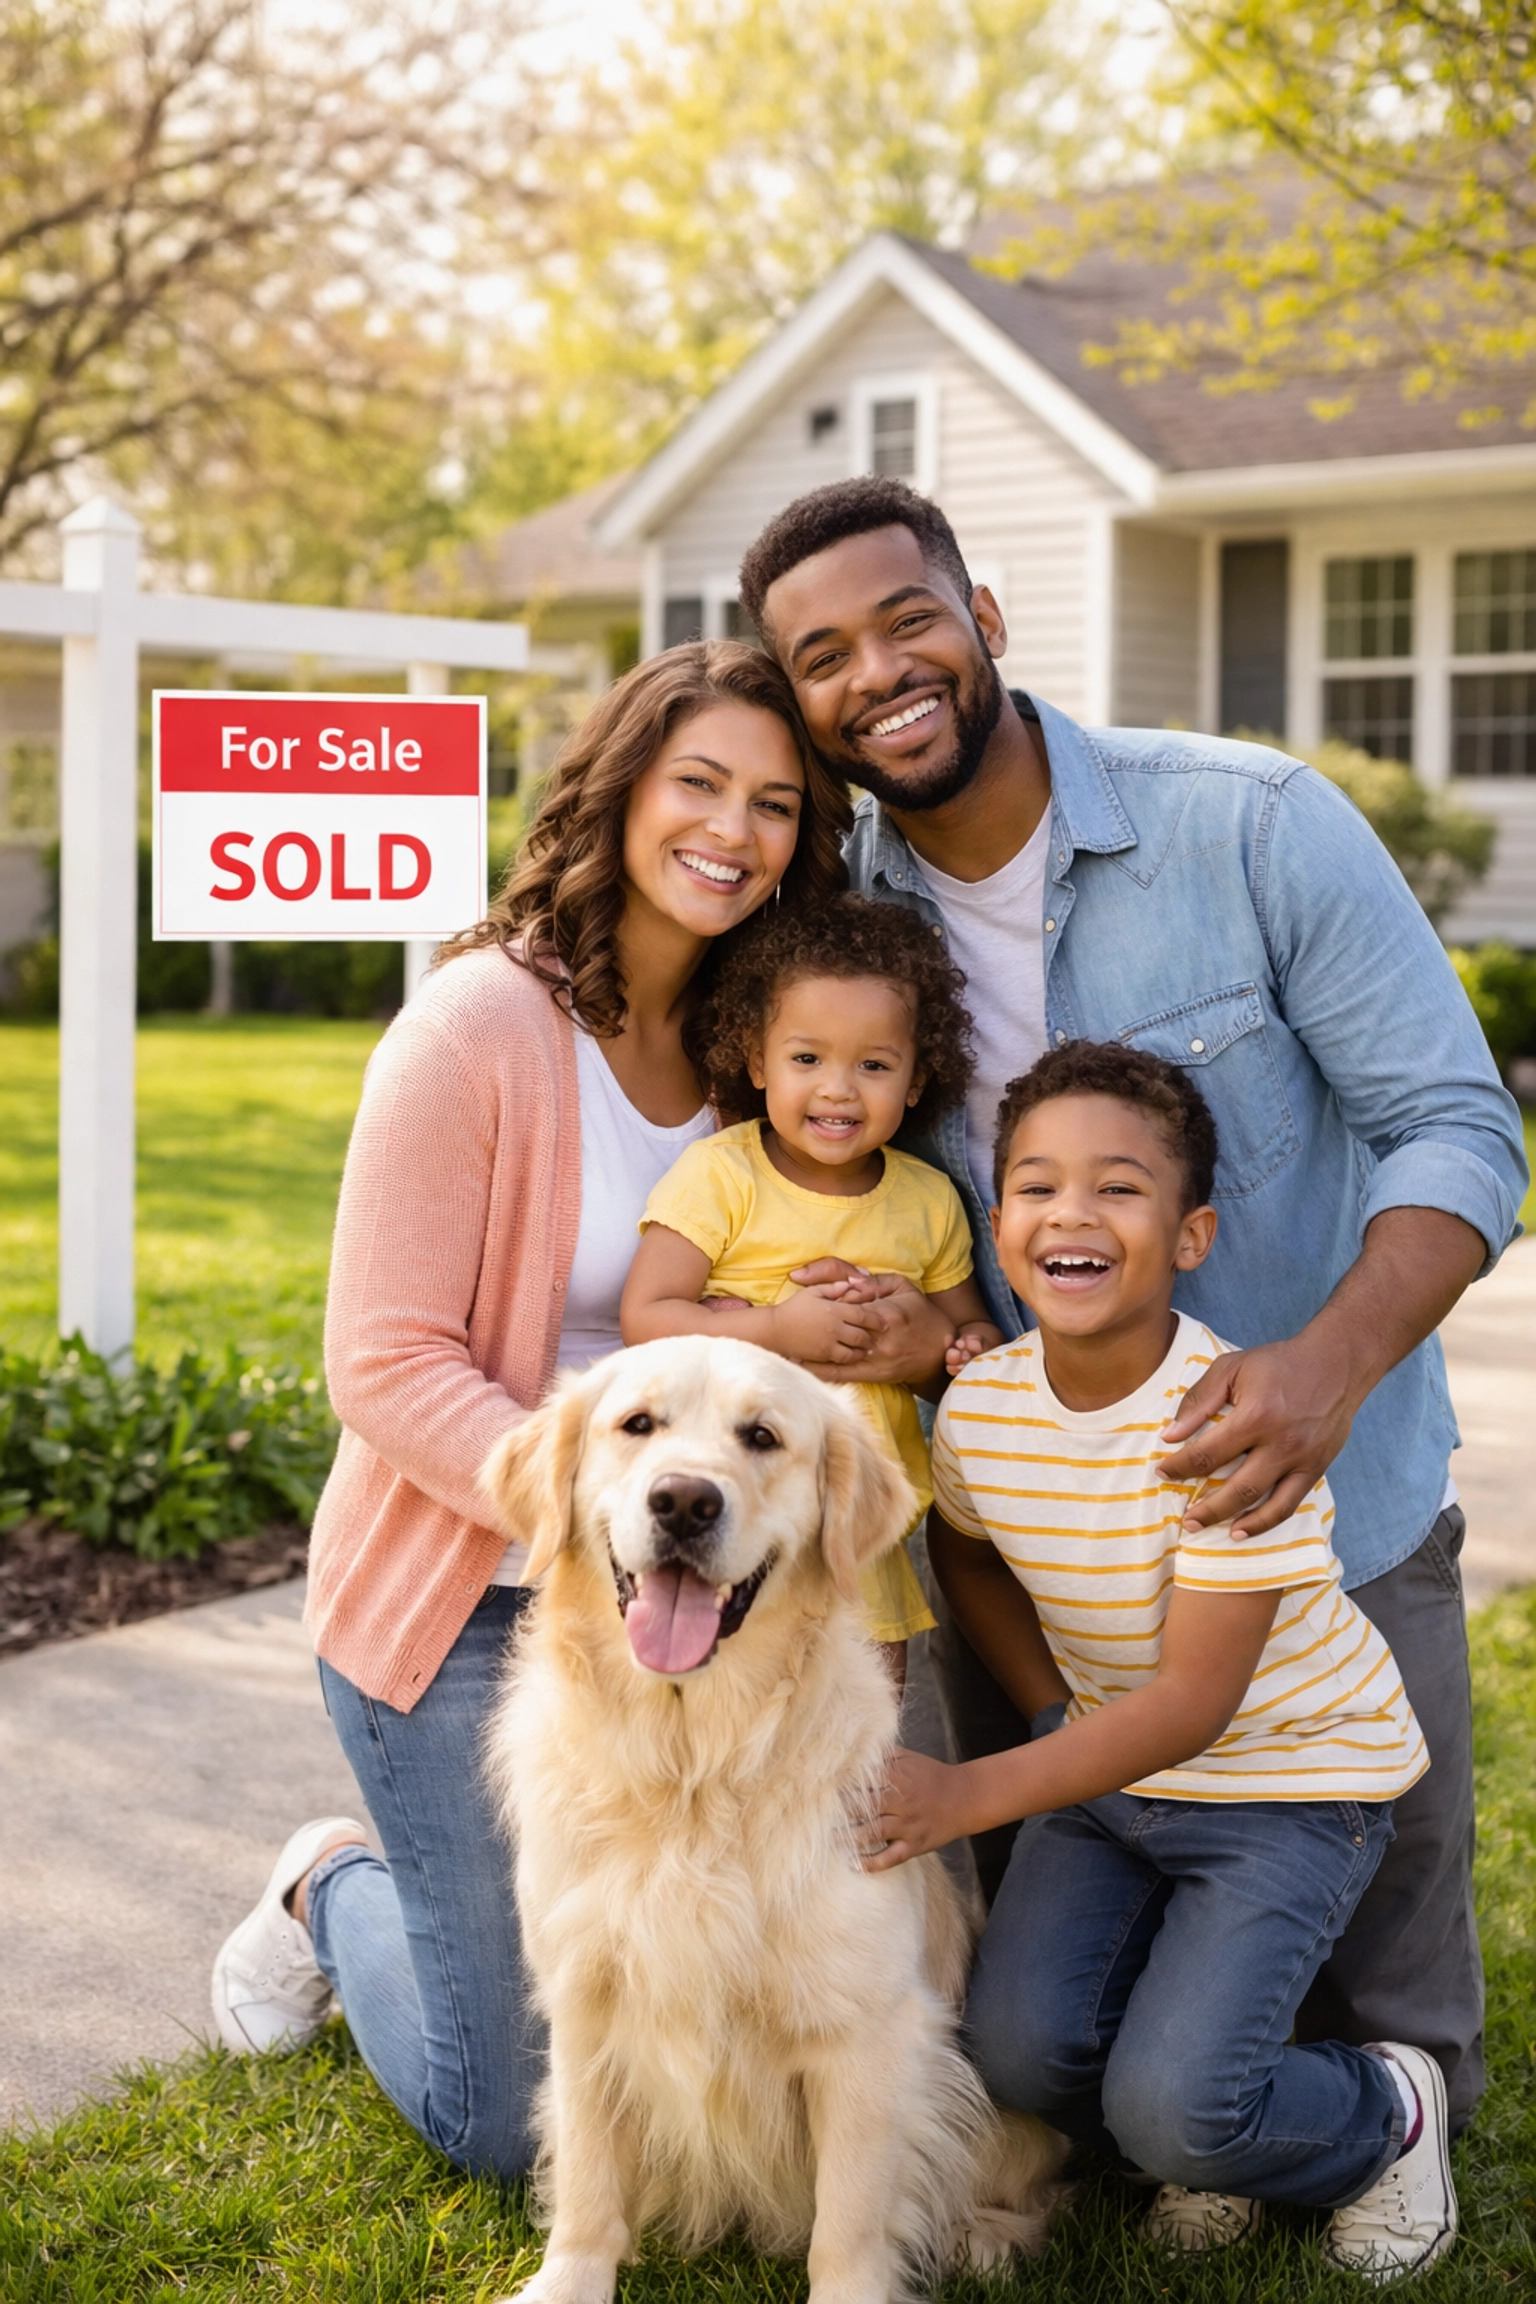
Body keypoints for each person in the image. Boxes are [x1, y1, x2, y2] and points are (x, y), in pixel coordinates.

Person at [734, 476, 1528, 2134]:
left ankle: (1344, 2108)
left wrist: (1324, 1367)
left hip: (1327, 1512)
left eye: (906, 619)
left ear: (984, 620)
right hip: (1046, 1567)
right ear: (800, 701)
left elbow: (1461, 1124)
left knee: (1391, 2024)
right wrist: (925, 1327)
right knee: (1067, 2049)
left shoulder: (1248, 821)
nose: (878, 669)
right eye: (823, 654)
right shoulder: (844, 925)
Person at [208, 641, 860, 2180]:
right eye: (698, 782)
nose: (734, 829)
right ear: (625, 787)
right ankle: (326, 1885)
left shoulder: (754, 1058)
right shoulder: (476, 1030)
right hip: (463, 1608)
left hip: (699, 1595)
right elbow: (380, 1361)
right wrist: (593, 1504)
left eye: (775, 803)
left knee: (689, 2024)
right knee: (513, 2123)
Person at [866, 1041, 1453, 2281]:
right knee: (1016, 2056)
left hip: (1290, 1788)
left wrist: (972, 1792)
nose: (1071, 1212)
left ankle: (1381, 2111)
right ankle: (1206, 2119)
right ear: (1001, 1221)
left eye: (1118, 1188)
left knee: (1174, 2110)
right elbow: (967, 1555)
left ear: (1192, 1237)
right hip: (1108, 1771)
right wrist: (1043, 1710)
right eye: (1035, 1185)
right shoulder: (984, 1406)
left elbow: (1193, 1705)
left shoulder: (1231, 1422)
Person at [620, 893, 1003, 1660]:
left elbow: (969, 1347)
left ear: (918, 1078)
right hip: (739, 1515)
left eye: (873, 1065)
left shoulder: (926, 1202)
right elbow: (646, 1317)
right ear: (757, 1060)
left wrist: (959, 1352)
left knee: (859, 1742)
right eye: (807, 1059)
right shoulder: (723, 1177)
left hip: (859, 1531)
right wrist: (774, 1332)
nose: (838, 1088)